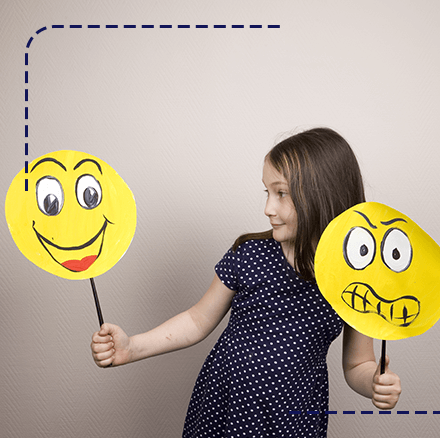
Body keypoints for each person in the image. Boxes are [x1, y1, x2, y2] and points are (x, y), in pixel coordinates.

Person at [90, 127, 401, 437]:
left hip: (292, 420)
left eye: (282, 193)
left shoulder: (356, 283)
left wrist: (375, 381)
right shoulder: (249, 254)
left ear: (323, 196)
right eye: (267, 192)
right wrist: (132, 348)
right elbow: (197, 321)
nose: (268, 208)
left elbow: (357, 364)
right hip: (224, 408)